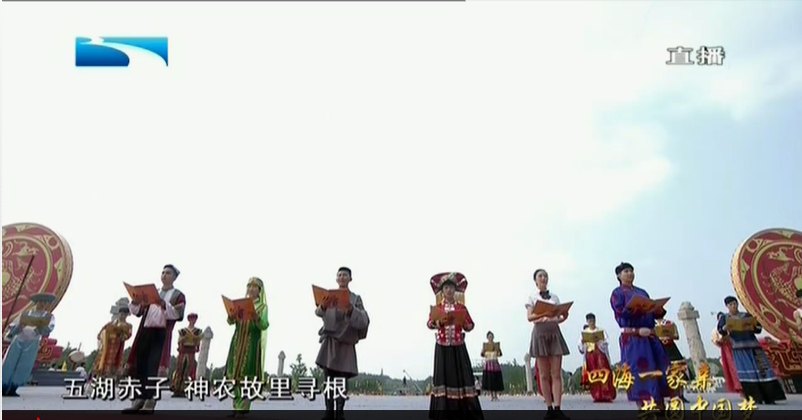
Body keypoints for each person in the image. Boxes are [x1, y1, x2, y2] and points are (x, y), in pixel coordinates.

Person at [123, 264, 186, 414]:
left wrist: (163, 304)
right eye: (163, 272)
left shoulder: (178, 295)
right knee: (142, 367)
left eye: (168, 273)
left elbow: (178, 314)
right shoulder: (152, 292)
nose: (164, 275)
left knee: (154, 368)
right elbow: (139, 312)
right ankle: (138, 400)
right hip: (145, 331)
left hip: (161, 333)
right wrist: (135, 302)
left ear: (174, 277)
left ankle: (150, 401)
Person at [609, 262, 670, 409]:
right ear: (618, 275)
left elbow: (653, 312)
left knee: (659, 369)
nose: (630, 273)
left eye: (631, 271)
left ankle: (660, 405)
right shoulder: (617, 293)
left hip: (650, 336)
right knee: (638, 372)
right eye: (626, 271)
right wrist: (637, 309)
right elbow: (620, 312)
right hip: (633, 338)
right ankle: (642, 407)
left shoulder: (642, 292)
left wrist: (657, 309)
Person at [315, 267, 370, 420]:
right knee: (328, 379)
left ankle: (340, 412)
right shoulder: (329, 295)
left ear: (350, 279)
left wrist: (351, 310)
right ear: (336, 279)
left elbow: (364, 319)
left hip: (346, 342)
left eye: (345, 275)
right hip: (330, 341)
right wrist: (323, 306)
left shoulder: (355, 298)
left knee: (341, 380)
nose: (342, 277)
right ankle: (328, 411)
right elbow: (319, 312)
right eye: (339, 275)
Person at [427, 272, 483, 420]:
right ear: (442, 291)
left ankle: (464, 411)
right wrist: (439, 322)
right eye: (446, 288)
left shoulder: (461, 308)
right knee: (443, 378)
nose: (449, 290)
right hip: (442, 346)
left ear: (455, 290)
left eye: (451, 287)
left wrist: (464, 323)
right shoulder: (438, 308)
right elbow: (429, 323)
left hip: (458, 347)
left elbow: (470, 325)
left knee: (461, 377)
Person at [718, 296, 786, 404]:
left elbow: (758, 329)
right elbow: (721, 331)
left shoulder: (746, 315)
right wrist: (725, 328)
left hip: (754, 347)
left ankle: (770, 397)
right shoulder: (725, 318)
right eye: (731, 304)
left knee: (763, 371)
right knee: (748, 373)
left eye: (735, 303)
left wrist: (753, 326)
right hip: (739, 349)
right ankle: (755, 398)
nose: (733, 306)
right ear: (727, 306)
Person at [526, 268, 570, 419]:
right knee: (544, 374)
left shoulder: (554, 297)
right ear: (535, 280)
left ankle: (558, 408)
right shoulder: (532, 297)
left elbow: (558, 318)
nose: (543, 278)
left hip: (554, 332)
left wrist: (564, 316)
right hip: (540, 333)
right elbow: (529, 317)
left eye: (545, 276)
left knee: (556, 373)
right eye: (540, 276)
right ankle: (549, 408)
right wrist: (543, 313)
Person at [225, 278, 269, 416]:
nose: (251, 289)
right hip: (237, 342)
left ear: (260, 290)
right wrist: (232, 315)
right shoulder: (241, 304)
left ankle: (243, 408)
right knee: (235, 376)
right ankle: (236, 407)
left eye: (254, 287)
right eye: (249, 286)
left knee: (246, 378)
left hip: (251, 344)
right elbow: (230, 322)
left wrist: (256, 317)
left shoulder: (262, 307)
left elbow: (264, 325)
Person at [2, 293, 56, 396]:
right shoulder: (26, 313)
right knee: (9, 363)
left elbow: (49, 328)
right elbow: (14, 325)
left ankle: (14, 387)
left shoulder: (49, 316)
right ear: (36, 302)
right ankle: (3, 385)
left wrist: (40, 329)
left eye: (45, 302)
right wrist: (18, 327)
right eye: (40, 302)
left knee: (24, 365)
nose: (42, 304)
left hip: (32, 342)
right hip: (19, 339)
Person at [577, 313, 616, 402]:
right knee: (593, 376)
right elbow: (580, 346)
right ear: (587, 321)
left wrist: (600, 341)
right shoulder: (584, 332)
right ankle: (597, 395)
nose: (592, 322)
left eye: (593, 320)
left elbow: (606, 341)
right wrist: (582, 342)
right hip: (590, 357)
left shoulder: (601, 330)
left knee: (604, 374)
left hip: (600, 355)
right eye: (590, 321)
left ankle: (607, 394)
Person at [654, 312, 690, 402]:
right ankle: (666, 395)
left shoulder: (670, 323)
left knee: (678, 371)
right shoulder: (652, 325)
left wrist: (667, 337)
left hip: (671, 350)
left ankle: (680, 395)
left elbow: (676, 336)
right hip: (659, 350)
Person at [94, 307, 133, 379]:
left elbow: (128, 335)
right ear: (118, 314)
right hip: (107, 345)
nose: (122, 316)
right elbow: (100, 334)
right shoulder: (110, 324)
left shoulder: (128, 326)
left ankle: (110, 377)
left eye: (124, 314)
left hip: (117, 347)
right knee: (102, 361)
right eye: (121, 314)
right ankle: (99, 376)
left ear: (127, 315)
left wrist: (122, 334)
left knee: (113, 362)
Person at [172, 313, 203, 398]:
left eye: (195, 319)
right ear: (189, 320)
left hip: (191, 351)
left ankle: (183, 389)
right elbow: (179, 341)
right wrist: (183, 339)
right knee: (179, 369)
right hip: (183, 350)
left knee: (187, 370)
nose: (193, 320)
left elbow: (198, 342)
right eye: (192, 319)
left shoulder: (197, 331)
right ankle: (176, 388)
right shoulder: (183, 330)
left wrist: (196, 342)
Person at [712, 311, 742, 394]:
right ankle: (738, 386)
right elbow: (715, 341)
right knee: (732, 367)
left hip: (737, 346)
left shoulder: (733, 325)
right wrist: (723, 340)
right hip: (726, 349)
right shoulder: (716, 330)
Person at [481, 331, 504, 401]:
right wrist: (484, 352)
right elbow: (482, 354)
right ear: (487, 338)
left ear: (493, 337)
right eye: (489, 337)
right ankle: (492, 396)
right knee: (490, 380)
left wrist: (498, 352)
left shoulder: (496, 345)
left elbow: (500, 354)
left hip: (495, 363)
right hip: (488, 364)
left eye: (491, 336)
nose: (490, 338)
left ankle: (496, 396)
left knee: (495, 379)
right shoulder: (485, 346)